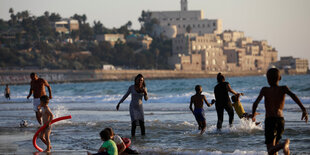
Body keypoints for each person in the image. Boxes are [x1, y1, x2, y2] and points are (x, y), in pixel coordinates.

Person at [252, 68, 308, 155]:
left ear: (267, 79)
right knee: (275, 147)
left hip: (270, 120)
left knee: (270, 150)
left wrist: (253, 115)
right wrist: (303, 109)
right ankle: (283, 145)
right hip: (280, 120)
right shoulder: (283, 88)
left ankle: (284, 144)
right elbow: (294, 96)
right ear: (280, 78)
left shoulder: (265, 90)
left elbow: (255, 103)